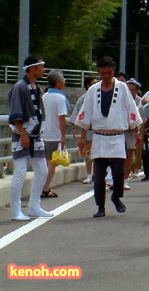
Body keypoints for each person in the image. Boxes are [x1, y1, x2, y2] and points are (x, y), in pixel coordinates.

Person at [76, 56, 142, 218]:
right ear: (99, 73)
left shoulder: (122, 88)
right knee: (99, 176)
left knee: (119, 173)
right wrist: (82, 138)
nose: (106, 75)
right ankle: (100, 206)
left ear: (113, 71)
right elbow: (86, 115)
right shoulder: (93, 90)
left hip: (118, 137)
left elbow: (131, 109)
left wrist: (136, 131)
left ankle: (116, 196)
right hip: (99, 137)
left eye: (109, 72)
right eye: (103, 73)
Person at [8, 54, 53, 220]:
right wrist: (22, 133)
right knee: (20, 171)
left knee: (42, 170)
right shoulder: (20, 87)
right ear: (32, 68)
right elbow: (15, 113)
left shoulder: (38, 87)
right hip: (22, 135)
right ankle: (16, 211)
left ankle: (35, 206)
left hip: (35, 135)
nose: (43, 69)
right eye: (41, 66)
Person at [41, 70, 69, 199]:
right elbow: (61, 118)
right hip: (55, 134)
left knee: (44, 163)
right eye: (63, 79)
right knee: (51, 163)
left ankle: (42, 187)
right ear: (58, 83)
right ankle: (45, 188)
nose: (65, 82)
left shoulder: (44, 96)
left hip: (43, 133)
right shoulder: (60, 98)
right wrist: (63, 136)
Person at [71, 76, 98, 184]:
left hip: (99, 130)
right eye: (93, 83)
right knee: (87, 153)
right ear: (88, 86)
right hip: (87, 130)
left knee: (98, 154)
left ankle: (98, 173)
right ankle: (89, 174)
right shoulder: (82, 99)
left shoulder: (101, 96)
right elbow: (77, 115)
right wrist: (75, 129)